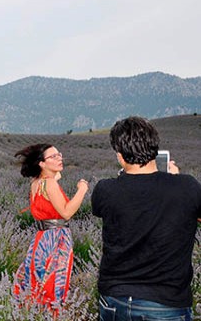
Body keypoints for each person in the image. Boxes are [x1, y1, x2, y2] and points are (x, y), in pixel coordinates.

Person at [91, 116, 201, 321]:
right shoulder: (188, 187)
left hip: (115, 298)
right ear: (156, 149)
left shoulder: (104, 190)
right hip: (166, 303)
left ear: (120, 156)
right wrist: (175, 180)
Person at [13, 143, 89, 313]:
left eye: (59, 154)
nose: (59, 158)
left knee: (37, 284)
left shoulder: (36, 182)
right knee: (54, 287)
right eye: (53, 156)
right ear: (42, 163)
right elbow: (66, 212)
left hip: (41, 239)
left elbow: (52, 183)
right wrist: (82, 190)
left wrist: (54, 174)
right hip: (57, 239)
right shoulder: (50, 184)